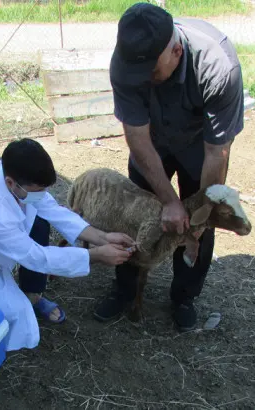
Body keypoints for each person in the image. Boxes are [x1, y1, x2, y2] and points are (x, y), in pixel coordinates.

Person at [93, 3, 244, 331]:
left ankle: (184, 295)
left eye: (151, 72)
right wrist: (168, 200)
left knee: (200, 221)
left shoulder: (218, 68)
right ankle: (124, 288)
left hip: (198, 149)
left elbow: (217, 153)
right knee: (133, 215)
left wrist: (197, 221)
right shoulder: (127, 63)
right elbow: (136, 137)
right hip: (151, 146)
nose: (141, 80)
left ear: (177, 51)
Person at [0, 138, 136, 351]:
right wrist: (94, 256)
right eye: (37, 190)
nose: (43, 195)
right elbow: (35, 257)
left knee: (38, 220)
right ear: (11, 182)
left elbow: (52, 209)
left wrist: (102, 237)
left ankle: (32, 294)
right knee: (13, 313)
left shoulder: (15, 177)